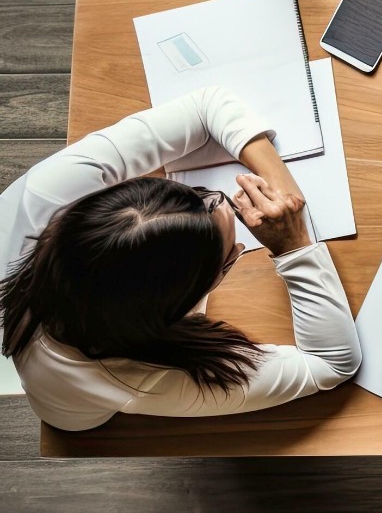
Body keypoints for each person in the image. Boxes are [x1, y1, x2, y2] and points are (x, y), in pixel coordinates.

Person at [0, 87, 360, 431]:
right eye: (231, 256)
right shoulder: (134, 379)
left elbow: (207, 105)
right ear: (181, 303)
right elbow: (331, 364)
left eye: (200, 194)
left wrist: (286, 191)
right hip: (70, 409)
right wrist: (293, 245)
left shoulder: (51, 189)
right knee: (74, 423)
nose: (223, 205)